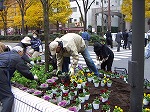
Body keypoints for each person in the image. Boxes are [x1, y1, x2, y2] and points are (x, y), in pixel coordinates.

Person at [0, 46, 38, 112]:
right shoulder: (17, 58)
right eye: (22, 53)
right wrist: (33, 77)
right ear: (19, 52)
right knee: (8, 97)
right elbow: (25, 72)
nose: (22, 54)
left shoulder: (4, 54)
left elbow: (7, 66)